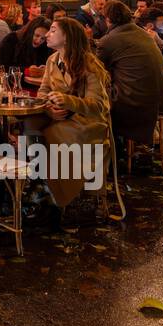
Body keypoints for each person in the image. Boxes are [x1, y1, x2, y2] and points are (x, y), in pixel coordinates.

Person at [32, 18, 112, 209]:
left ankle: (66, 200)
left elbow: (98, 106)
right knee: (30, 133)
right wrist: (50, 109)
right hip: (60, 119)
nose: (46, 35)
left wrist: (68, 102)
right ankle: (43, 192)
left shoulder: (89, 64)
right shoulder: (52, 60)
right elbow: (42, 92)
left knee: (50, 135)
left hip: (88, 123)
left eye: (52, 30)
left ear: (67, 37)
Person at [99, 1, 163, 152]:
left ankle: (112, 151)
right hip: (162, 99)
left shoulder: (108, 40)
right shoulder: (144, 34)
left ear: (108, 19)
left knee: (98, 101)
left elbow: (96, 71)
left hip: (136, 101)